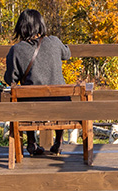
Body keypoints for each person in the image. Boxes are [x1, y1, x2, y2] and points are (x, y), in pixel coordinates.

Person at [4, 9, 71, 156]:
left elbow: (10, 80)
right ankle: (59, 141)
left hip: (32, 108)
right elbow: (67, 54)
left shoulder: (16, 49)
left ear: (21, 27)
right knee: (58, 89)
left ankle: (32, 142)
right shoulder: (54, 41)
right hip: (60, 104)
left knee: (25, 97)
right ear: (41, 25)